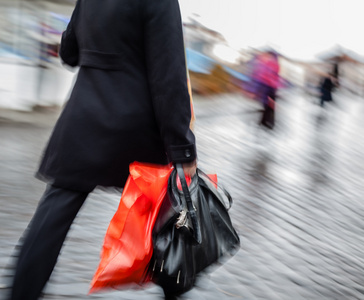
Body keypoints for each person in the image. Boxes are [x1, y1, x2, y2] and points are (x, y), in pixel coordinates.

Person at [8, 0, 197, 299]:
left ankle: (21, 293)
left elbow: (69, 53)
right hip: (139, 129)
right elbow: (169, 73)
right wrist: (183, 148)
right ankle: (175, 289)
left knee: (52, 217)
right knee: (165, 219)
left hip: (85, 121)